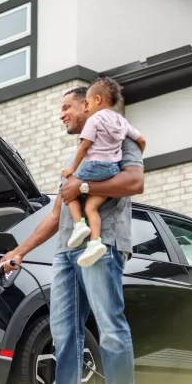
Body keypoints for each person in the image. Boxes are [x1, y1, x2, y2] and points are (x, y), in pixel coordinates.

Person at [0, 86, 144, 384]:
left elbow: (134, 181)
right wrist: (20, 250)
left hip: (102, 244)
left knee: (110, 328)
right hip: (65, 255)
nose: (62, 113)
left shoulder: (117, 135)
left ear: (88, 105)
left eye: (67, 107)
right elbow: (55, 215)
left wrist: (80, 189)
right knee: (65, 335)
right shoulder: (75, 160)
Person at [61, 77, 146, 267]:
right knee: (91, 207)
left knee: (70, 189)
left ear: (97, 100)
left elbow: (84, 146)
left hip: (94, 166)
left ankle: (80, 225)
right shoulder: (121, 121)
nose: (86, 107)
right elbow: (141, 140)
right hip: (111, 170)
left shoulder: (95, 119)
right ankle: (94, 242)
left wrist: (72, 169)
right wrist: (140, 153)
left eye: (87, 103)